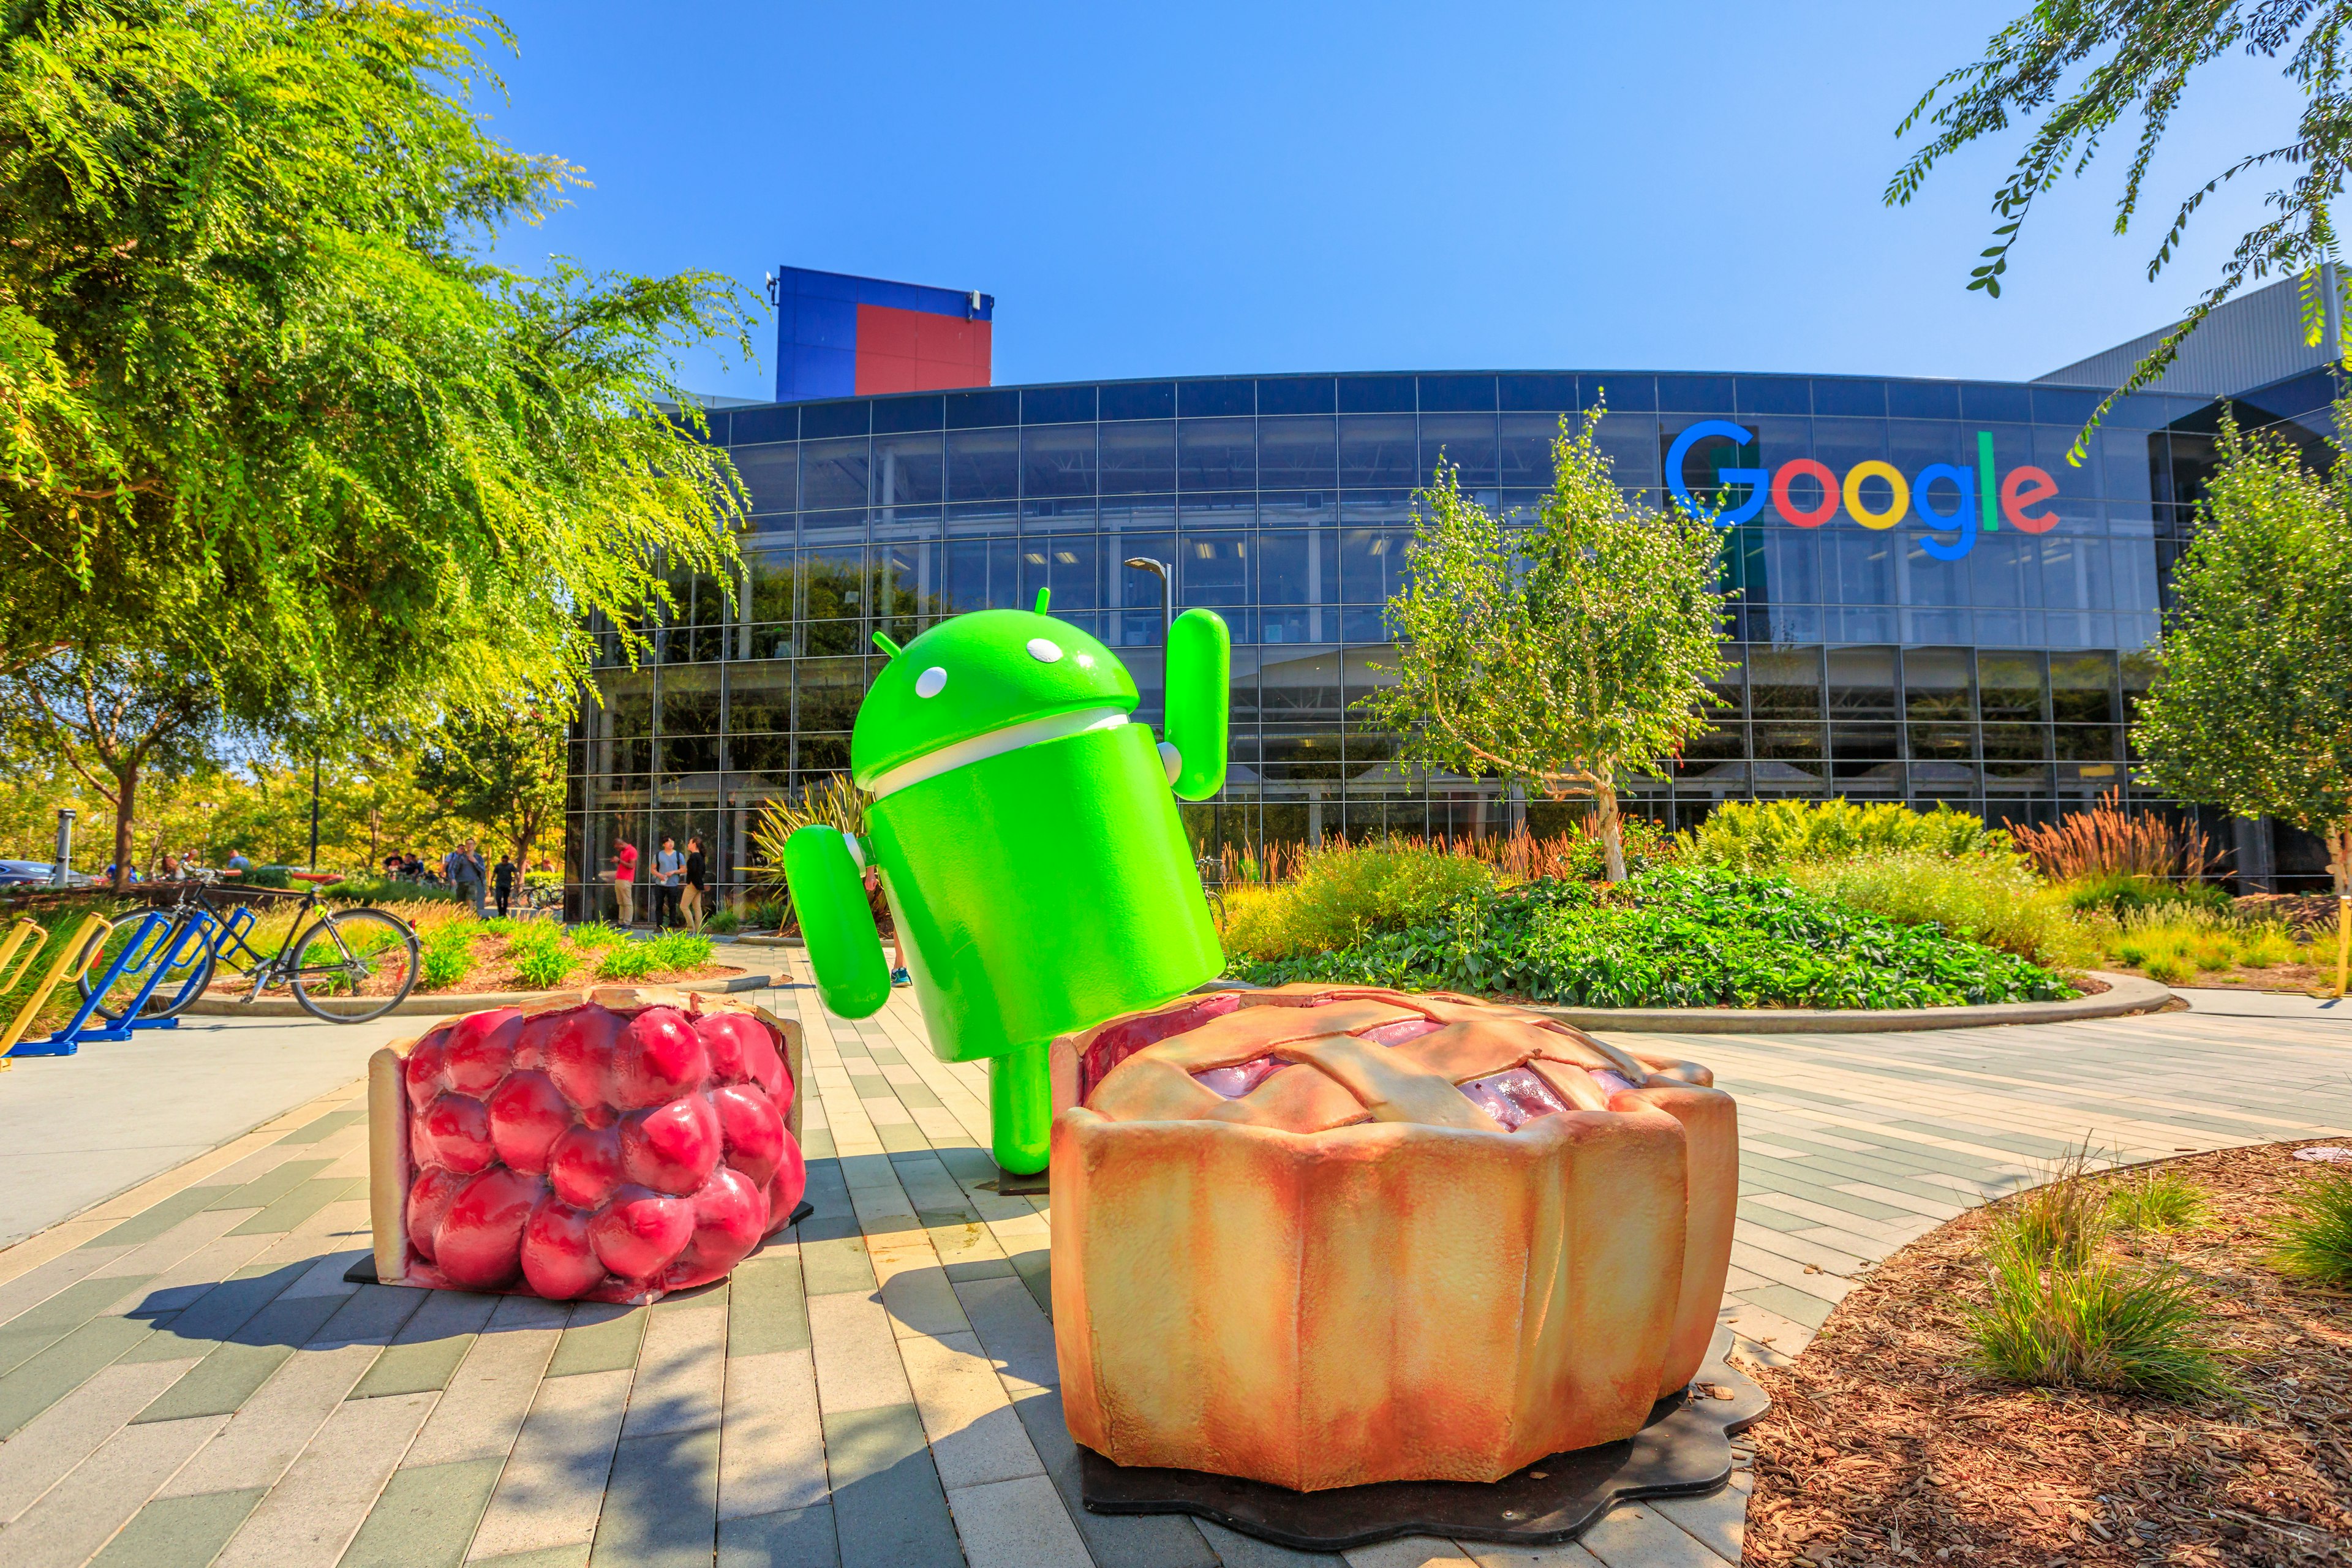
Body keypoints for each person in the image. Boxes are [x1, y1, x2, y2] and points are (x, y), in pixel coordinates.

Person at [861, 861, 913, 987]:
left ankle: (898, 969)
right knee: (903, 917)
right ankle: (901, 969)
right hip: (895, 868)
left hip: (918, 868)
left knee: (908, 918)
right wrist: (870, 873)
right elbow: (870, 841)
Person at [445, 839, 486, 917]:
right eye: (468, 844)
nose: (469, 845)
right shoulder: (460, 857)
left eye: (471, 844)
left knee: (470, 899)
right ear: (466, 846)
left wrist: (475, 862)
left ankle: (470, 918)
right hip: (461, 882)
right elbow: (452, 868)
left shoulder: (478, 857)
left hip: (473, 882)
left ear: (474, 845)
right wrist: (453, 878)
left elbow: (483, 870)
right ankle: (459, 918)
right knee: (459, 902)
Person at [651, 835, 685, 930]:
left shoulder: (679, 855)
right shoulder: (658, 855)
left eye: (672, 842)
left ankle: (672, 925)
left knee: (672, 905)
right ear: (664, 844)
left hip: (673, 884)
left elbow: (683, 869)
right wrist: (660, 875)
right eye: (668, 842)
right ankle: (659, 926)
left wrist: (673, 872)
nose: (671, 844)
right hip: (660, 884)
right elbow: (653, 869)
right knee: (659, 905)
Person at [680, 835, 707, 933]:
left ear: (694, 844)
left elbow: (692, 870)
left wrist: (689, 878)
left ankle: (691, 929)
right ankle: (699, 929)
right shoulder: (701, 857)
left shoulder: (694, 856)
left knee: (683, 906)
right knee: (697, 908)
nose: (688, 845)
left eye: (689, 843)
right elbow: (703, 871)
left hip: (692, 884)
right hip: (699, 884)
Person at [612, 839, 638, 925]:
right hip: (619, 879)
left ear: (620, 844)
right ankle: (621, 921)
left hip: (626, 880)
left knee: (627, 902)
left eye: (617, 848)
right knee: (621, 902)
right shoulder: (623, 852)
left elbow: (632, 866)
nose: (617, 850)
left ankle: (627, 922)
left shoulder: (632, 850)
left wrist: (619, 861)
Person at [492, 853, 517, 919]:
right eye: (503, 861)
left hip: (507, 885)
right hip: (499, 885)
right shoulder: (498, 866)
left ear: (508, 860)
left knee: (506, 899)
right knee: (498, 898)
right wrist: (491, 883)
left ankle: (504, 912)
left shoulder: (511, 866)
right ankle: (500, 911)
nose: (504, 862)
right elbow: (494, 875)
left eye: (506, 861)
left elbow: (515, 874)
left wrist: (517, 882)